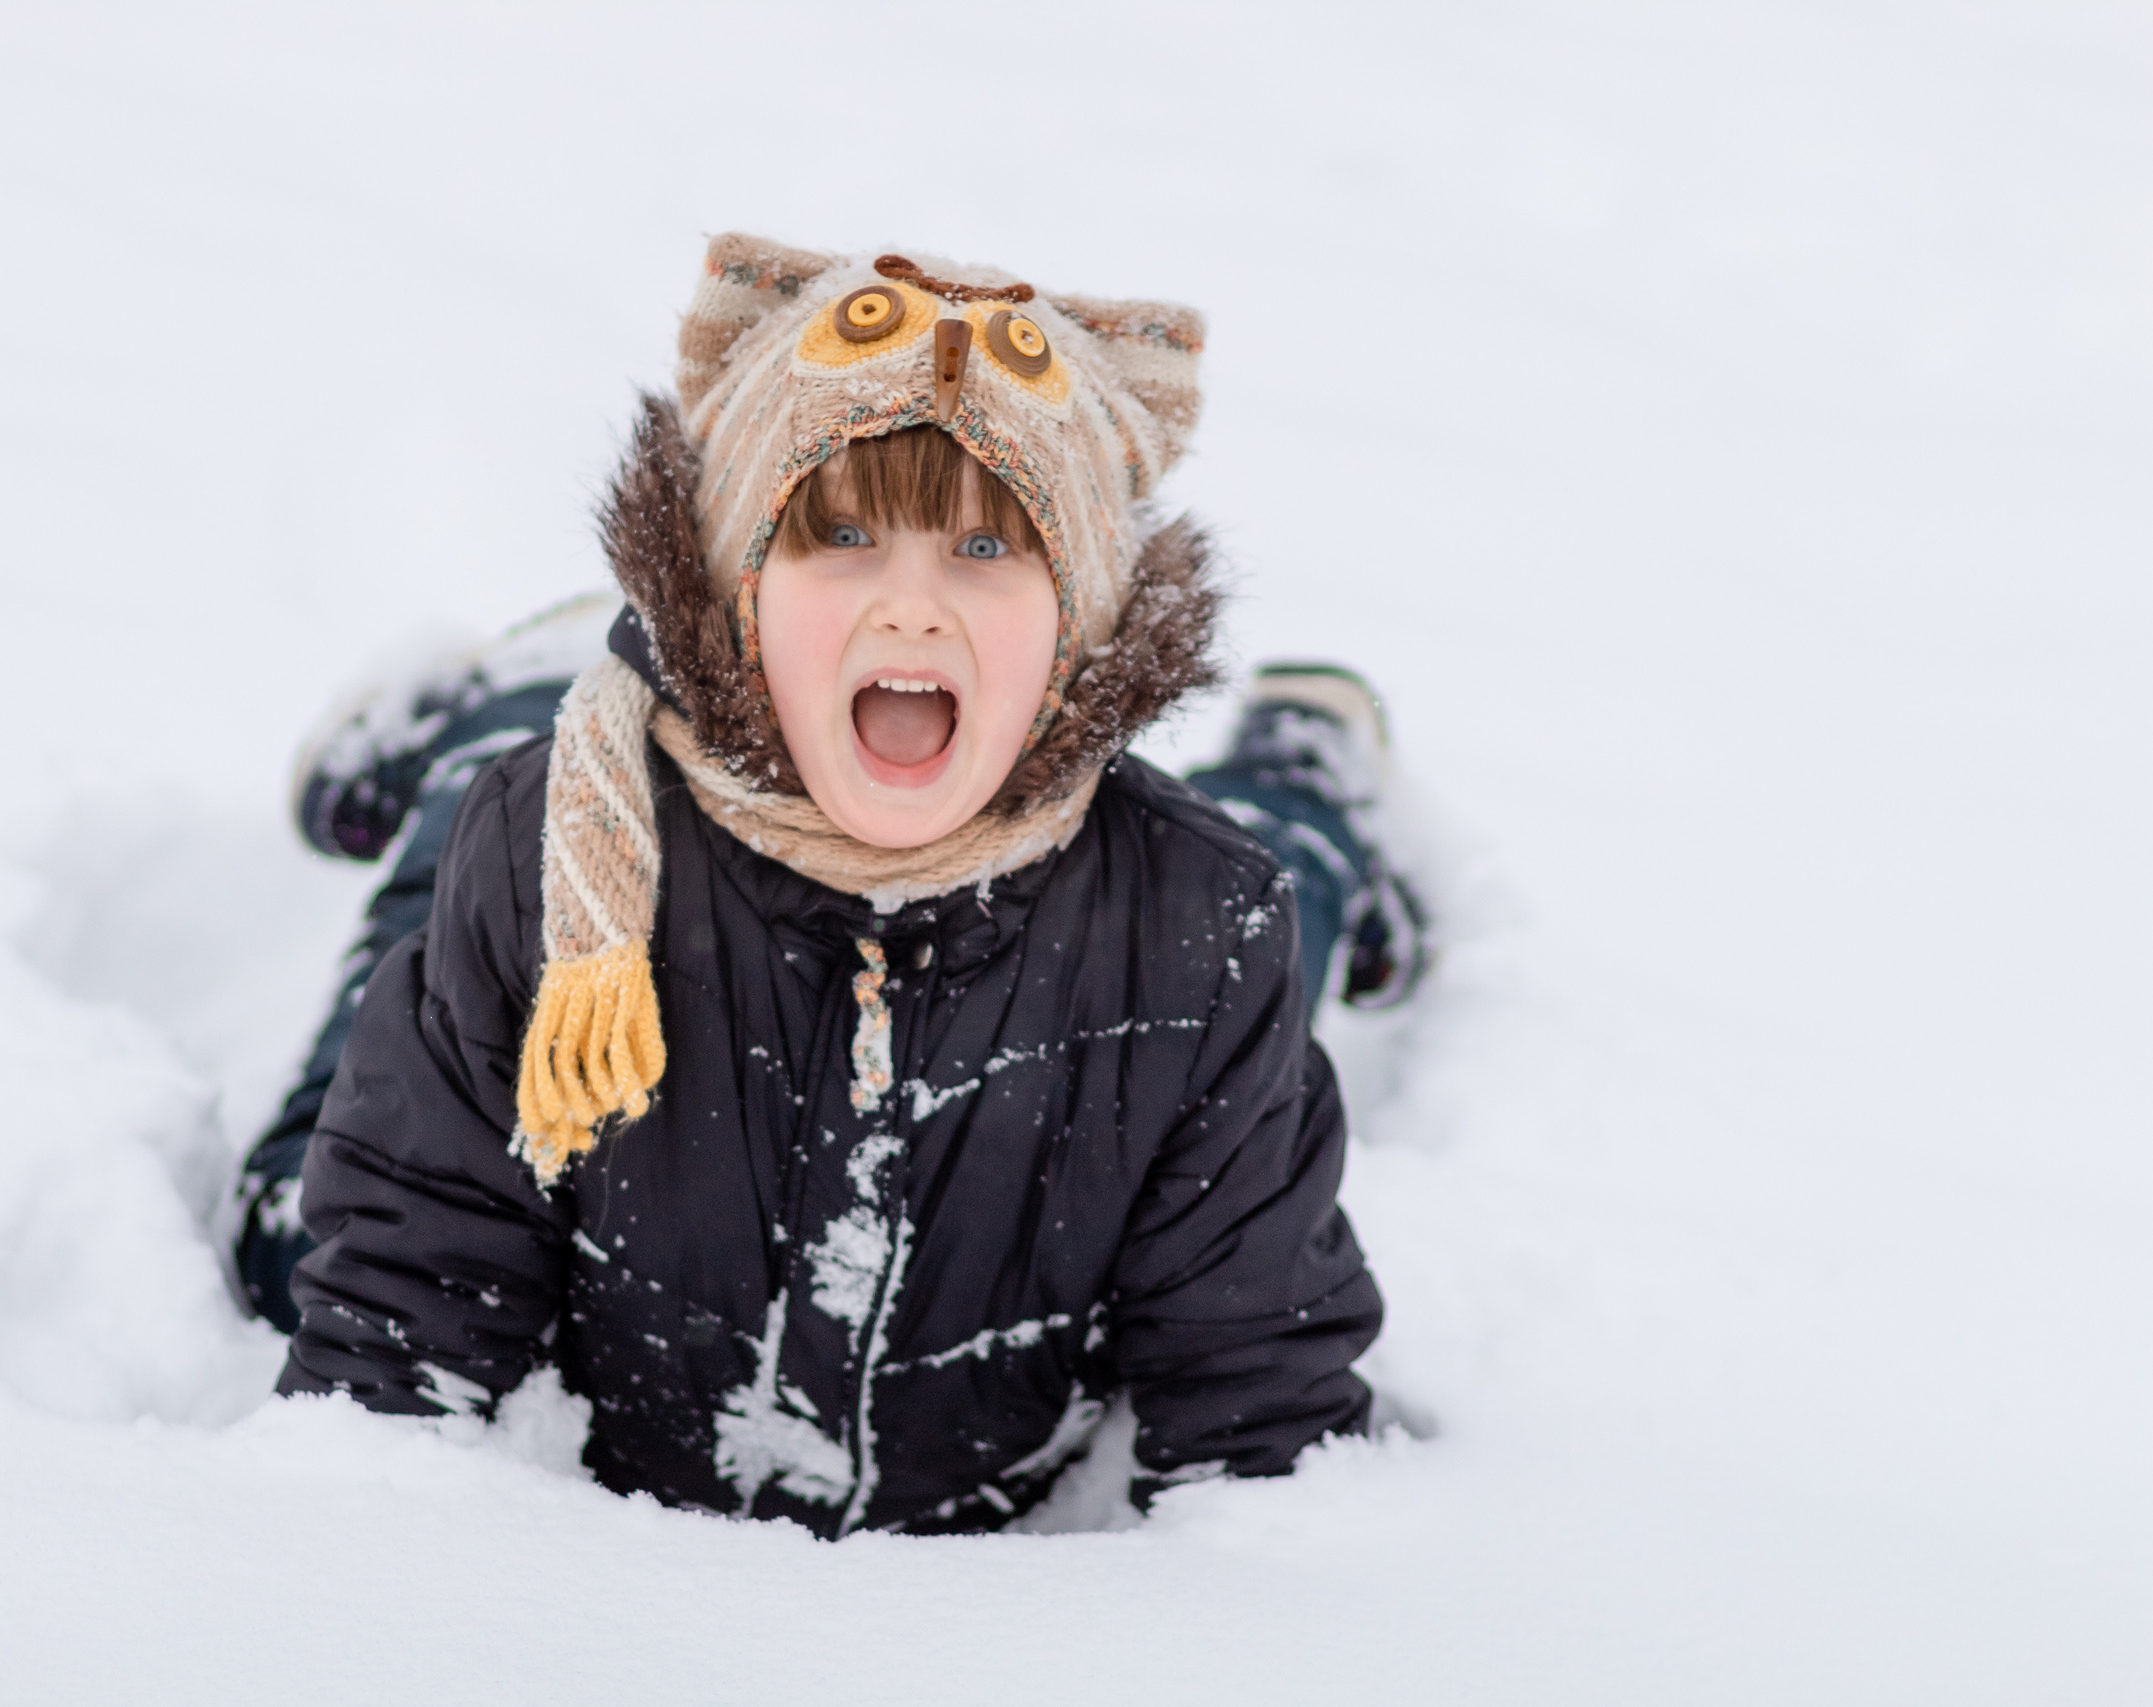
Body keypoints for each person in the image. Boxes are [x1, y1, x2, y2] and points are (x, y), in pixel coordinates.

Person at [233, 238, 1427, 1536]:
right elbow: (403, 1323)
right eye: (841, 534)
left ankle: (1305, 762)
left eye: (986, 546)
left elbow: (1259, 1413)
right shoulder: (548, 844)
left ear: (1079, 623)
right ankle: (514, 692)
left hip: (999, 1433)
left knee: (1245, 864)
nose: (913, 606)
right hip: (586, 897)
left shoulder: (1200, 927)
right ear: (733, 600)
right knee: (287, 1228)